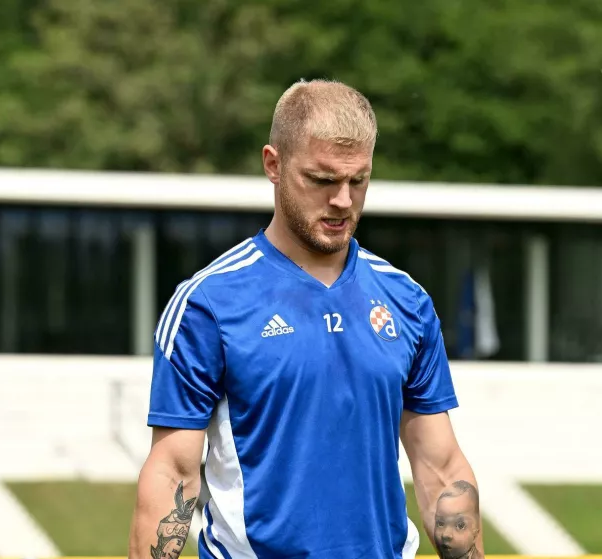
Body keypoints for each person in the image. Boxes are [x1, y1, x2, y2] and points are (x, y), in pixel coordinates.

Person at [129, 79, 485, 559]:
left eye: (358, 180)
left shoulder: (407, 300)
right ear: (273, 165)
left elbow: (441, 467)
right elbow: (173, 474)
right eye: (321, 180)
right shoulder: (207, 304)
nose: (342, 200)